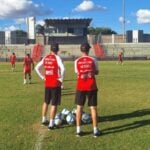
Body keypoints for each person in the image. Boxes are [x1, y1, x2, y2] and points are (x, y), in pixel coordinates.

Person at [35, 43, 65, 130]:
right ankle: (51, 124)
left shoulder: (46, 57)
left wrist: (43, 77)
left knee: (46, 101)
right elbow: (63, 69)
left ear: (50, 49)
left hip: (47, 83)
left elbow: (37, 68)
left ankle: (44, 119)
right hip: (55, 83)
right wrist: (61, 80)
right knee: (54, 103)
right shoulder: (57, 57)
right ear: (58, 50)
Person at [74, 43, 100, 138]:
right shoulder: (93, 60)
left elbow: (77, 72)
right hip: (92, 86)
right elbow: (97, 72)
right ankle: (95, 130)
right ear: (89, 50)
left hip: (80, 86)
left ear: (81, 50)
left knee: (79, 108)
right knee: (93, 108)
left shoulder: (77, 61)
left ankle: (78, 130)